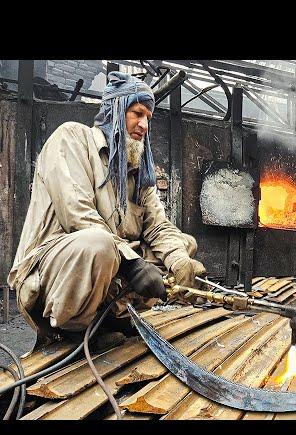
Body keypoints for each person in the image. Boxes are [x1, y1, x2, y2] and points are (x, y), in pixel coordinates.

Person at [7, 72, 206, 350]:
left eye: (149, 117)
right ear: (116, 109)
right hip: (54, 270)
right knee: (99, 245)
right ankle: (72, 329)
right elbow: (78, 215)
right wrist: (133, 264)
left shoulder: (138, 171)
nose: (144, 125)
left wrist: (179, 261)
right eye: (137, 113)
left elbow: (159, 226)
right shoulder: (71, 138)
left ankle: (112, 317)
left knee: (183, 245)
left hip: (109, 265)